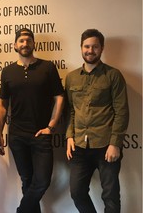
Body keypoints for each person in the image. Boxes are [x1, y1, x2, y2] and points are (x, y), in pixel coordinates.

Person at [0, 28, 65, 213]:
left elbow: (59, 96)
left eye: (28, 40)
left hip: (41, 133)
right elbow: (2, 103)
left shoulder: (48, 67)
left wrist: (50, 126)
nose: (25, 43)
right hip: (17, 136)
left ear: (34, 44)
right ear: (15, 45)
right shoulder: (8, 71)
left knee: (42, 181)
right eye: (21, 40)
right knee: (27, 180)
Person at [65, 29, 129, 213]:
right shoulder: (71, 77)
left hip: (105, 145)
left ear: (102, 49)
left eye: (95, 46)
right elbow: (71, 110)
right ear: (81, 48)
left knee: (110, 195)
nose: (90, 50)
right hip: (79, 147)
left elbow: (122, 111)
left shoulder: (113, 75)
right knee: (77, 192)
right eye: (86, 46)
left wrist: (115, 143)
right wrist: (70, 136)